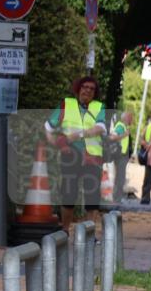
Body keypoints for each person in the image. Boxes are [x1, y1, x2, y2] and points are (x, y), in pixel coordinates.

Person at [44, 76, 107, 231]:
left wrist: (76, 135)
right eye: (85, 87)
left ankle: (89, 234)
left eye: (92, 89)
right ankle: (65, 230)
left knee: (92, 196)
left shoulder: (99, 107)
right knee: (68, 194)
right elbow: (48, 127)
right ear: (78, 88)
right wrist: (58, 144)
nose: (88, 90)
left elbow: (99, 128)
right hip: (71, 155)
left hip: (93, 156)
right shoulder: (67, 105)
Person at [108, 111, 133, 203]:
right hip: (120, 156)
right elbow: (112, 137)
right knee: (120, 178)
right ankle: (117, 198)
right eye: (130, 117)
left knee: (120, 177)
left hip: (122, 156)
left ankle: (117, 198)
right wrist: (124, 135)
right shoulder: (121, 126)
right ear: (126, 118)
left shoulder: (123, 126)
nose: (132, 119)